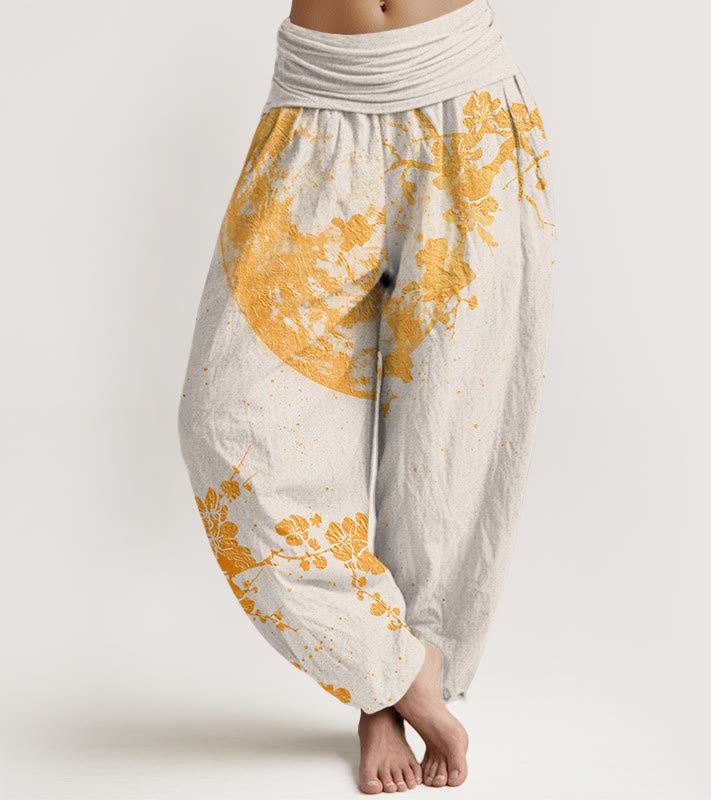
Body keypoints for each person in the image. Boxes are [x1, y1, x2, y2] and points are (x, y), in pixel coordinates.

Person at [177, 0, 555, 793]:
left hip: (464, 99)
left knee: (447, 440)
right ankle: (391, 668)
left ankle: (387, 694)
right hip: (316, 105)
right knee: (228, 420)